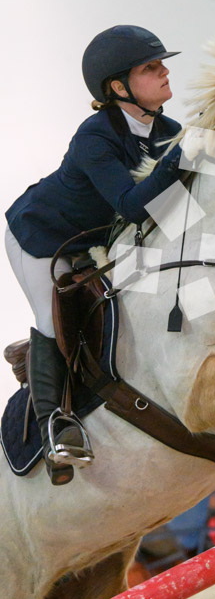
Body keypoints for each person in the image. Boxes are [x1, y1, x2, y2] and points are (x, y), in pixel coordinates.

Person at [5, 25, 184, 485]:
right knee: (52, 319)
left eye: (161, 64)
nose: (164, 72)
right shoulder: (95, 136)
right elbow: (131, 204)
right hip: (43, 235)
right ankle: (55, 429)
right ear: (119, 88)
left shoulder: (167, 131)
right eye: (150, 67)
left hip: (100, 238)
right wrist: (182, 158)